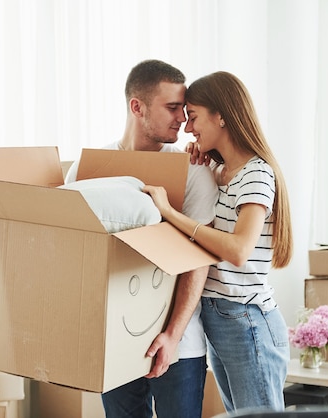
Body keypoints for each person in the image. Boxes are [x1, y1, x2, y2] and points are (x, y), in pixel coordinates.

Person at [65, 59, 218, 418]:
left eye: (183, 108)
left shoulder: (192, 169)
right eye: (171, 108)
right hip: (114, 341)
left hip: (179, 345)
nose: (182, 118)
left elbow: (198, 258)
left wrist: (174, 335)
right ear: (137, 106)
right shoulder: (88, 169)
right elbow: (78, 255)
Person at [143, 71, 293, 412]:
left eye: (193, 116)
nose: (188, 127)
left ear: (221, 115)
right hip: (221, 319)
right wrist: (204, 165)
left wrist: (171, 213)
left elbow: (239, 250)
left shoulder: (257, 173)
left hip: (248, 321)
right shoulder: (223, 173)